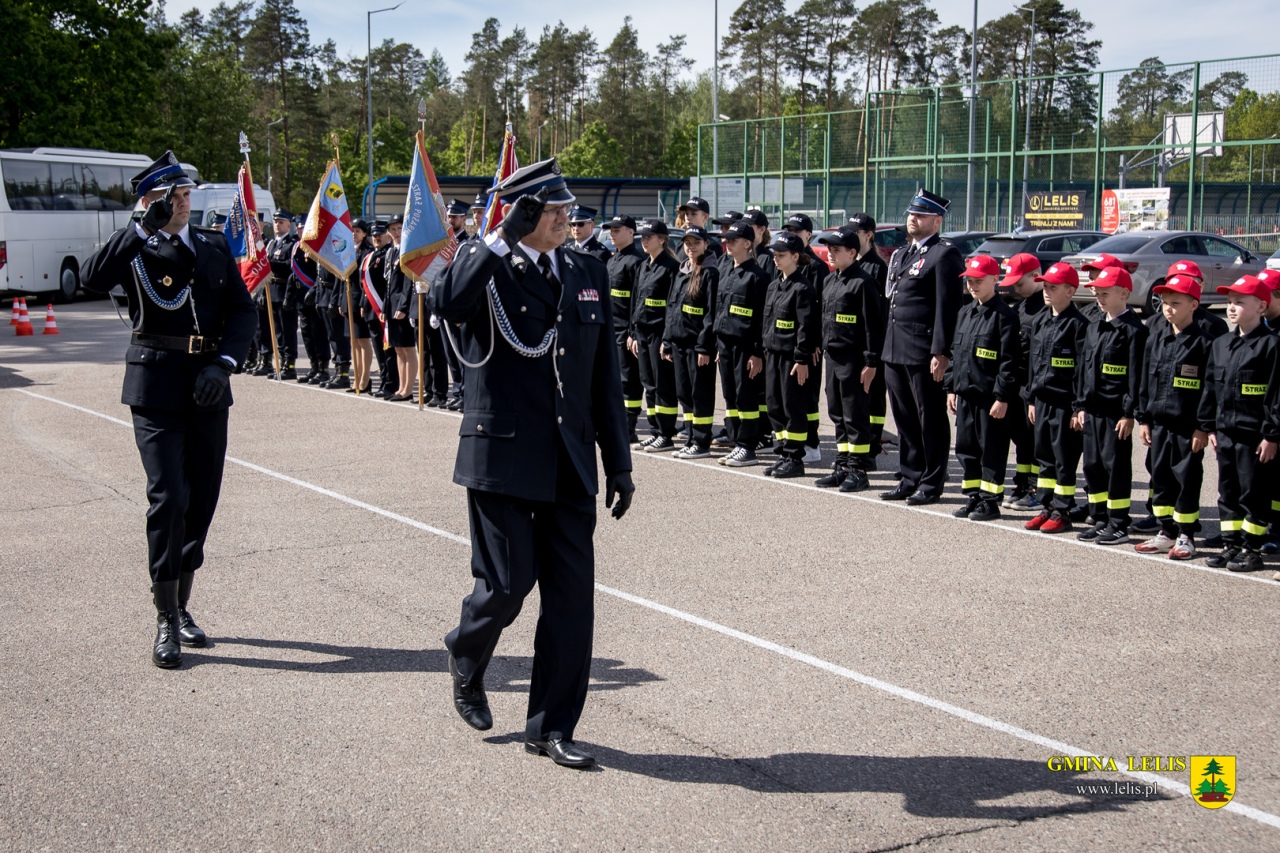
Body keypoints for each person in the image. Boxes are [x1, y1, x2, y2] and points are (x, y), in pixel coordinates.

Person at [426, 158, 634, 769]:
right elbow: (446, 300)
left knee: (573, 601)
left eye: (568, 208)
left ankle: (550, 727)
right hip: (504, 456)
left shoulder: (587, 270)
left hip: (569, 461)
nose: (568, 217)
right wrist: (497, 238)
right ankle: (467, 651)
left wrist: (618, 461)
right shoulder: (489, 267)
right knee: (508, 587)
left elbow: (603, 377)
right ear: (521, 213)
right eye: (553, 209)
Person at [79, 151, 257, 668]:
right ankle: (164, 616)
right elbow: (92, 276)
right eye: (175, 198)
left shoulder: (212, 244)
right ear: (153, 201)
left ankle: (182, 604)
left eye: (185, 197)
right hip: (156, 386)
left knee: (201, 500)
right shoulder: (135, 248)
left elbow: (242, 313)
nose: (184, 204)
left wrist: (222, 364)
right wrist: (139, 230)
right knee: (168, 497)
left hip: (206, 386)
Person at [879, 189, 964, 506]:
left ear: (937, 221)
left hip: (923, 352)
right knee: (904, 419)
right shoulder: (902, 255)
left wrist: (941, 352)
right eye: (911, 214)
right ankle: (910, 476)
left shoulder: (944, 255)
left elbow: (948, 307)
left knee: (930, 419)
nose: (913, 219)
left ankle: (931, 483)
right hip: (895, 349)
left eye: (921, 215)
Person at [1200, 275, 1280, 573]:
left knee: (1253, 494)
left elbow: (1275, 396)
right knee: (1228, 492)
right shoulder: (1222, 344)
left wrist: (1272, 435)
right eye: (1230, 303)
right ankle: (1231, 545)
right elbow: (1210, 388)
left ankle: (1252, 548)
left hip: (1254, 436)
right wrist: (1209, 426)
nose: (1232, 308)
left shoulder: (1271, 346)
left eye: (1239, 303)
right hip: (1225, 433)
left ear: (1261, 306)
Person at [1133, 274, 1212, 560]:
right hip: (1159, 425)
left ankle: (1186, 536)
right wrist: (1143, 419)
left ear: (1193, 305)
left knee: (1186, 481)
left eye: (1175, 303)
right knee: (1162, 478)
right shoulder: (1156, 340)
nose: (1168, 308)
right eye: (1165, 303)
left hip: (1187, 428)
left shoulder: (1203, 343)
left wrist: (1203, 427)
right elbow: (1144, 382)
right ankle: (1166, 531)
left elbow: (1208, 389)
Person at [1073, 267, 1147, 545]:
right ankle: (1099, 517)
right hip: (1091, 411)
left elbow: (1135, 377)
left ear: (1124, 293)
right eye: (1097, 293)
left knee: (1115, 467)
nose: (1099, 298)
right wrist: (1079, 405)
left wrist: (1129, 413)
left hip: (1116, 414)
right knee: (1092, 466)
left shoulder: (1133, 331)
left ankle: (1118, 523)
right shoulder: (1095, 326)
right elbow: (1083, 369)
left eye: (1105, 293)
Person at [946, 255, 1020, 521]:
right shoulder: (965, 313)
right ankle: (974, 496)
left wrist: (1002, 396)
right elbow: (956, 354)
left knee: (991, 450)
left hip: (990, 399)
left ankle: (990, 501)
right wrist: (951, 388)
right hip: (965, 394)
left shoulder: (1005, 317)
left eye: (978, 281)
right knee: (966, 449)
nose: (973, 285)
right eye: (969, 281)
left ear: (994, 280)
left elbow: (1009, 362)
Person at [813, 225, 884, 492]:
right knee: (837, 414)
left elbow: (872, 327)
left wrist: (870, 362)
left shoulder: (863, 282)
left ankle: (858, 469)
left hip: (854, 360)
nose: (830, 254)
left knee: (855, 416)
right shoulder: (830, 281)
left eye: (837, 250)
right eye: (829, 249)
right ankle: (842, 465)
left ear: (853, 252)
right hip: (833, 358)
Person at [1023, 263, 1089, 534]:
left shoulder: (1079, 325)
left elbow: (1082, 371)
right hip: (1042, 401)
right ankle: (1047, 505)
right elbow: (1033, 364)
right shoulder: (1041, 319)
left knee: (1064, 459)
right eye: (1046, 286)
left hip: (1065, 404)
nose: (1047, 291)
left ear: (1071, 291)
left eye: (1053, 287)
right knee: (1044, 457)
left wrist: (1077, 407)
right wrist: (1030, 398)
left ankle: (1063, 510)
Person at [760, 231, 820, 478]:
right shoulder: (775, 284)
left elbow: (807, 328)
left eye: (781, 255)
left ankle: (795, 457)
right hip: (773, 354)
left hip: (791, 358)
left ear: (796, 256)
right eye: (774, 254)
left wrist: (801, 358)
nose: (776, 259)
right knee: (774, 405)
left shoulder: (802, 288)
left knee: (792, 407)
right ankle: (783, 453)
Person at [714, 219, 769, 466]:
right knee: (730, 396)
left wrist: (757, 353)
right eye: (726, 240)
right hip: (725, 344)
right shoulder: (726, 271)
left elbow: (761, 320)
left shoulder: (758, 277)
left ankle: (748, 445)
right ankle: (737, 442)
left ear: (748, 243)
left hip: (746, 347)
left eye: (733, 240)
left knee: (746, 396)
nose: (727, 243)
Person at [663, 226, 719, 459]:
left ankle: (702, 440)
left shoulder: (710, 272)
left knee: (700, 394)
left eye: (696, 242)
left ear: (705, 244)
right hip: (678, 342)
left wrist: (705, 346)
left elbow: (711, 313)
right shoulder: (681, 270)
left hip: (697, 346)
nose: (691, 247)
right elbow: (672, 306)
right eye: (687, 243)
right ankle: (690, 437)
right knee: (684, 393)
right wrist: (667, 340)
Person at [629, 219, 681, 451]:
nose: (645, 240)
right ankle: (654, 430)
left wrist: (667, 339)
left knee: (663, 385)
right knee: (648, 383)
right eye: (643, 237)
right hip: (642, 331)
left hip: (659, 332)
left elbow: (672, 306)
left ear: (662, 240)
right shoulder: (643, 265)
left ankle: (666, 432)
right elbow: (635, 299)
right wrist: (632, 332)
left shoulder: (670, 267)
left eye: (649, 236)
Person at [998, 252, 1044, 509]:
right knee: (1023, 441)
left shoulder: (1044, 309)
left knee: (1036, 443)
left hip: (1033, 387)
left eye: (1019, 283)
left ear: (1035, 275)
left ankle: (1037, 488)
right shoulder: (1021, 307)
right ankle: (1023, 482)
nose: (1015, 288)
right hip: (1018, 385)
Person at [847, 213, 890, 462]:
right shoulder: (851, 264)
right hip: (853, 342)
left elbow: (879, 313)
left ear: (868, 236)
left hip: (872, 343)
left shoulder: (877, 267)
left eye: (856, 233)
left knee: (873, 396)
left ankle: (873, 441)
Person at [605, 214, 645, 441]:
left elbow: (636, 302)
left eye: (617, 229)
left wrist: (633, 332)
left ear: (631, 232)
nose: (612, 233)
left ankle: (629, 425)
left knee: (629, 379)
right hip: (611, 327)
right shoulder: (613, 260)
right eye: (611, 229)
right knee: (615, 378)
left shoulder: (635, 262)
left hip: (625, 330)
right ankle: (618, 420)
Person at [382, 217, 418, 401]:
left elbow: (408, 281)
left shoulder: (407, 251)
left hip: (402, 306)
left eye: (399, 228)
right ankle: (401, 387)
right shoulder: (391, 252)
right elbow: (388, 284)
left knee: (408, 348)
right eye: (392, 229)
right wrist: (384, 307)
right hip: (392, 306)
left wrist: (403, 306)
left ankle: (408, 389)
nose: (396, 232)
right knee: (398, 349)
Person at [262, 209, 300, 380]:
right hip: (273, 290)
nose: (277, 224)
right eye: (276, 222)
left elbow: (289, 266)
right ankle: (280, 363)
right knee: (277, 331)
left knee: (288, 330)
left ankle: (289, 364)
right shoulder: (271, 244)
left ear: (288, 224)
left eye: (281, 222)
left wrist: (271, 263)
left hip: (285, 291)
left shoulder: (292, 244)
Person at [292, 240, 329, 385]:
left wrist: (313, 290)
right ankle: (314, 366)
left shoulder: (319, 246)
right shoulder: (298, 247)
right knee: (307, 335)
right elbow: (294, 273)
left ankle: (323, 369)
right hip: (302, 297)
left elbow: (321, 273)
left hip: (316, 297)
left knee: (319, 334)